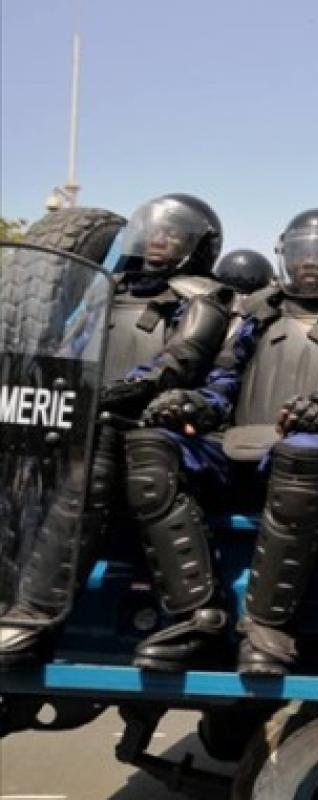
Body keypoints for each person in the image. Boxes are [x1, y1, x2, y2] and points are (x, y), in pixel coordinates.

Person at [130, 209, 318, 674]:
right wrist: (193, 404)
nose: (312, 264)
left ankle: (267, 629)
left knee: (305, 451)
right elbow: (224, 382)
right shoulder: (256, 309)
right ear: (286, 256)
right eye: (304, 254)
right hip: (237, 444)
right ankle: (198, 617)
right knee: (152, 446)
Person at [0, 194, 233, 668]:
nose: (158, 239)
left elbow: (179, 360)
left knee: (100, 447)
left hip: (154, 420)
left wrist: (121, 389)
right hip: (83, 414)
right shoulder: (105, 291)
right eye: (154, 230)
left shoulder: (201, 297)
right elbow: (69, 349)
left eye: (173, 234)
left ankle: (38, 616)